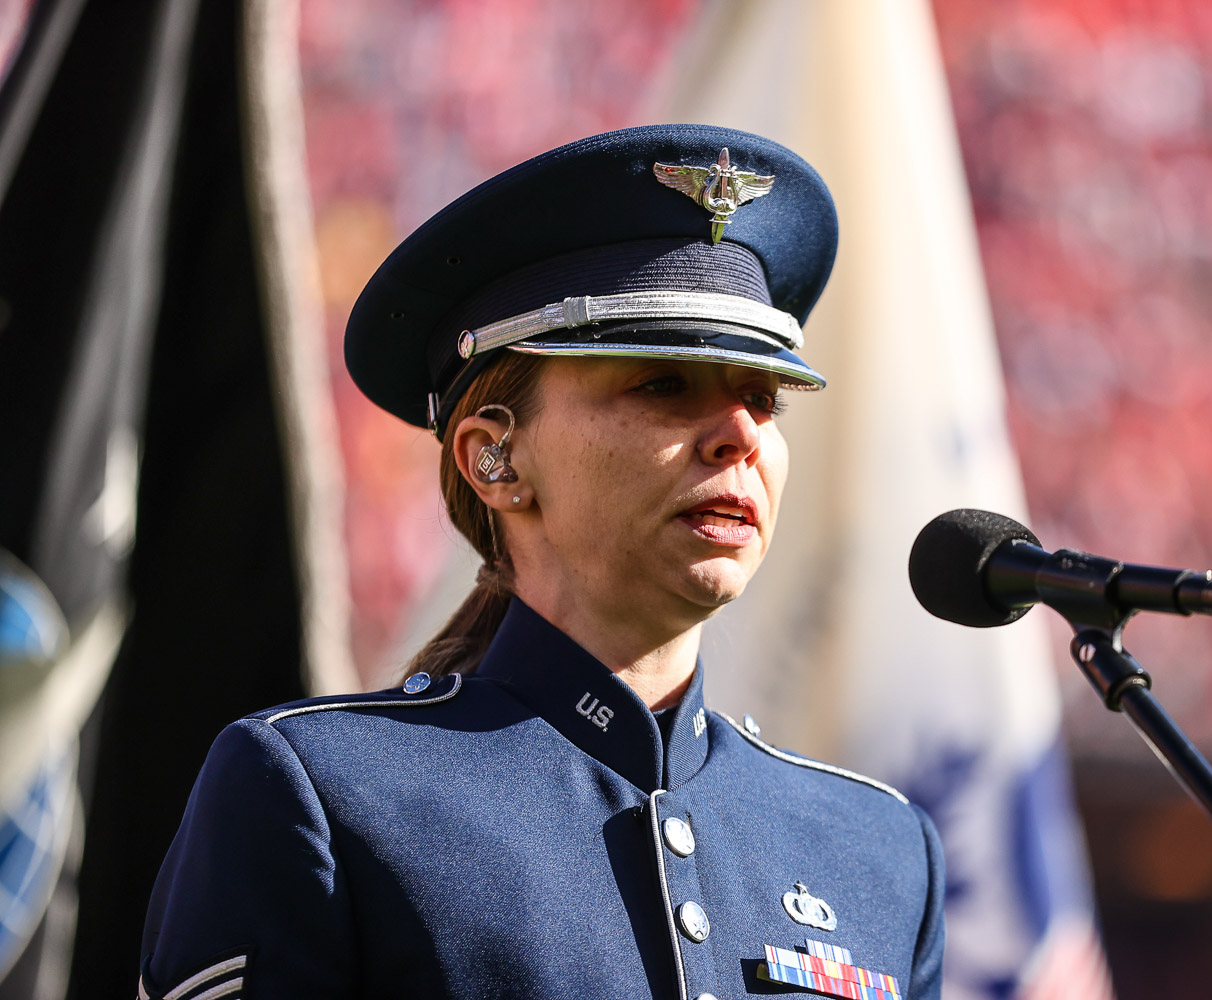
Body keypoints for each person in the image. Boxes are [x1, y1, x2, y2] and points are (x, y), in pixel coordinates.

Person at [137, 124, 944, 1000]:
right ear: (496, 458)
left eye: (762, 396)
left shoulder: (881, 852)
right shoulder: (323, 794)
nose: (742, 436)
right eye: (662, 382)